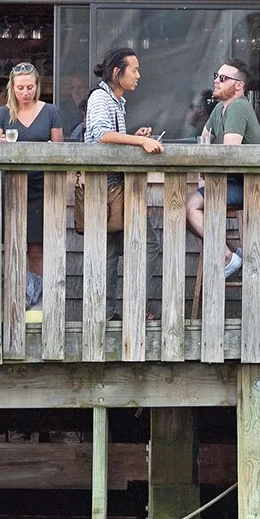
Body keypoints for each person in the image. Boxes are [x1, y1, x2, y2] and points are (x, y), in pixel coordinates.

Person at [84, 47, 163, 317]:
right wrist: (140, 140)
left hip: (115, 186)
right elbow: (102, 135)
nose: (139, 75)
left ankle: (112, 310)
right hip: (106, 187)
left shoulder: (117, 101)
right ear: (118, 72)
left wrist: (132, 135)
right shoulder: (99, 98)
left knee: (113, 249)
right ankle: (128, 309)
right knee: (145, 245)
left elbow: (111, 136)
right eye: (134, 69)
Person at [0, 62, 62, 288]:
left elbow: (60, 148)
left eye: (29, 87)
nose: (25, 93)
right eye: (20, 88)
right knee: (12, 244)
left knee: (37, 247)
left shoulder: (50, 111)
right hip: (10, 185)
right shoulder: (2, 113)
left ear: (37, 86)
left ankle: (37, 301)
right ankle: (13, 295)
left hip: (41, 186)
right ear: (12, 87)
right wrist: (0, 144)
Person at [187, 59, 260, 280]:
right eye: (215, 76)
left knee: (190, 205)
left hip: (247, 184)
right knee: (184, 208)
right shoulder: (220, 108)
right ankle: (232, 253)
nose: (216, 81)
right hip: (229, 182)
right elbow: (204, 142)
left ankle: (228, 257)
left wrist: (206, 178)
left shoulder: (238, 107)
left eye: (223, 78)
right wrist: (203, 178)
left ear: (239, 85)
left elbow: (228, 153)